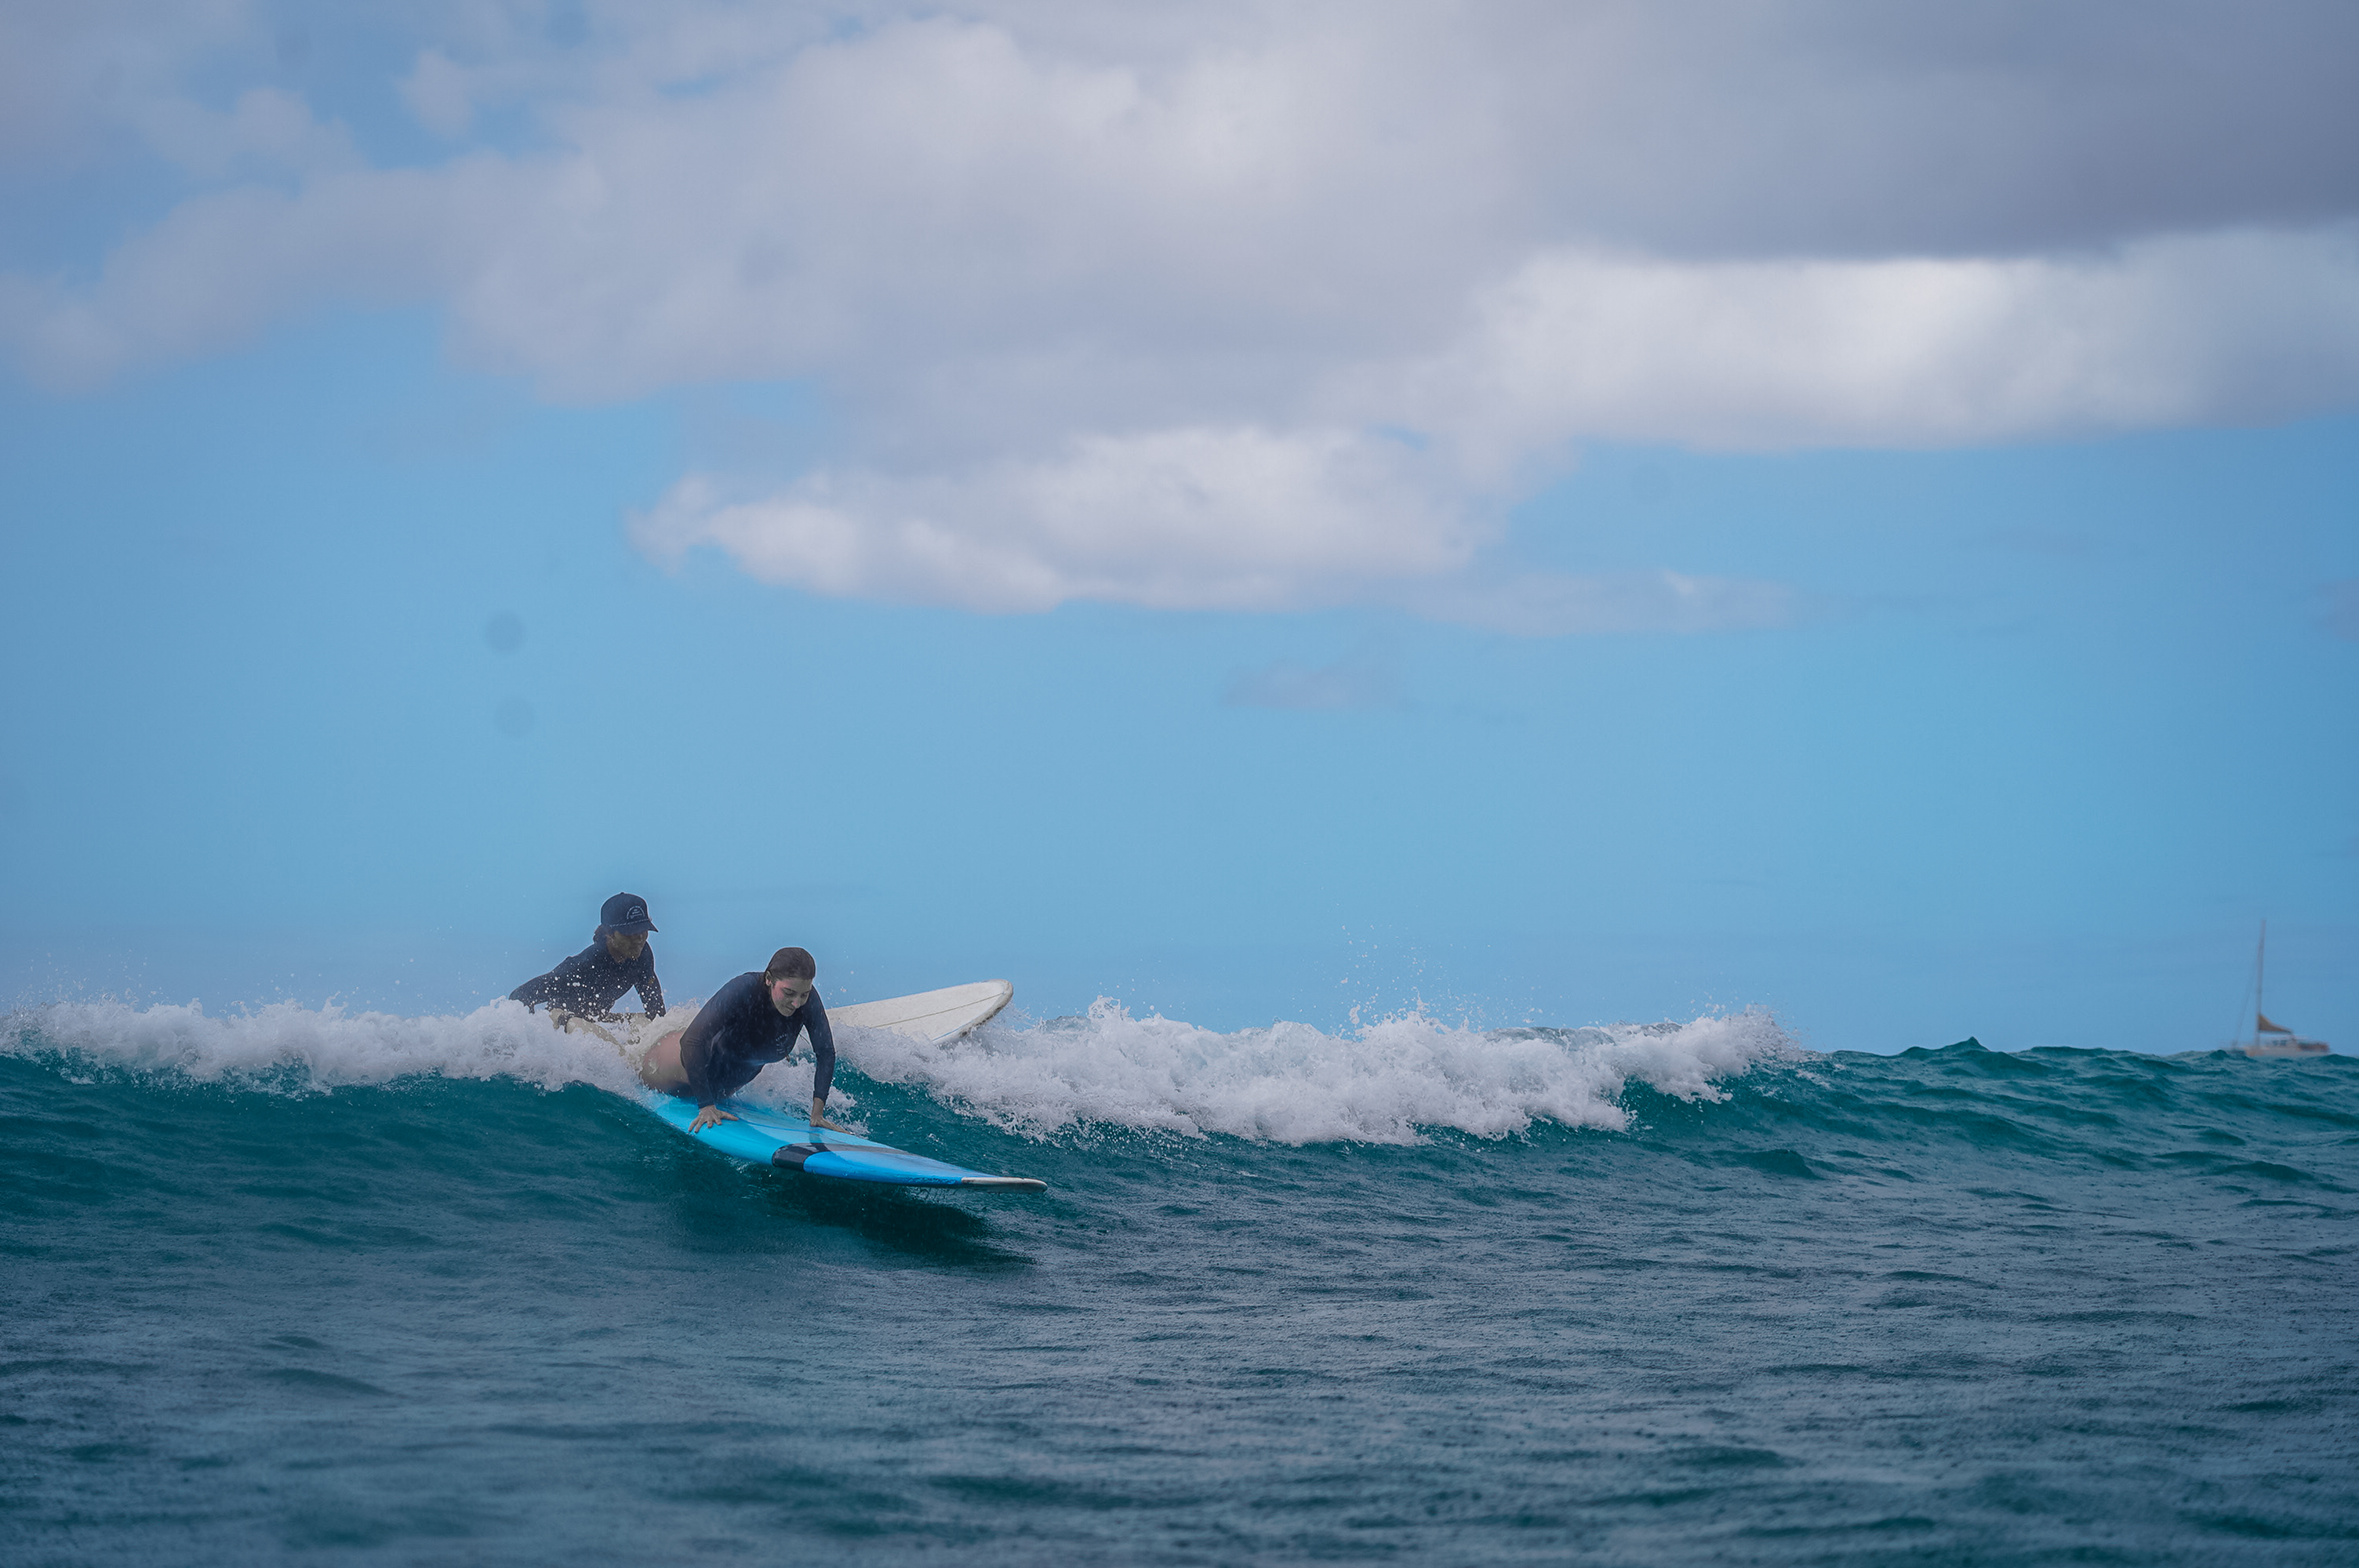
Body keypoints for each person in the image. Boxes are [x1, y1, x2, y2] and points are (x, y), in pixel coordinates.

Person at [638, 946, 838, 1133]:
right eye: (789, 993)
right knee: (634, 1070)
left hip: (718, 1087)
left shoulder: (808, 1002)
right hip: (672, 1070)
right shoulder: (744, 989)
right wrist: (706, 1106)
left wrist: (817, 1114)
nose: (797, 1003)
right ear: (769, 979)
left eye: (804, 994)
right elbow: (692, 1041)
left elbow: (826, 1052)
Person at [508, 892, 667, 1022]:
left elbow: (657, 1013)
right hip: (564, 1024)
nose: (639, 939)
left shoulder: (642, 956)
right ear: (609, 934)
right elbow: (519, 997)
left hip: (600, 1021)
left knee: (652, 1022)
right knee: (576, 1022)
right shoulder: (584, 965)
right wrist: (534, 1036)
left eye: (643, 930)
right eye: (630, 932)